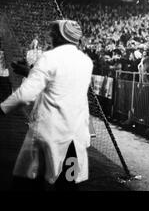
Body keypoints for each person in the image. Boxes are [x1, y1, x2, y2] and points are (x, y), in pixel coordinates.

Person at [0, 20, 93, 191]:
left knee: (25, 183)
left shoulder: (49, 58)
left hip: (47, 133)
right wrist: (30, 72)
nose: (50, 36)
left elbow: (26, 94)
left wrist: (2, 108)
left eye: (53, 33)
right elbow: (61, 80)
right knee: (68, 184)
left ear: (60, 37)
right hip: (75, 135)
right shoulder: (86, 62)